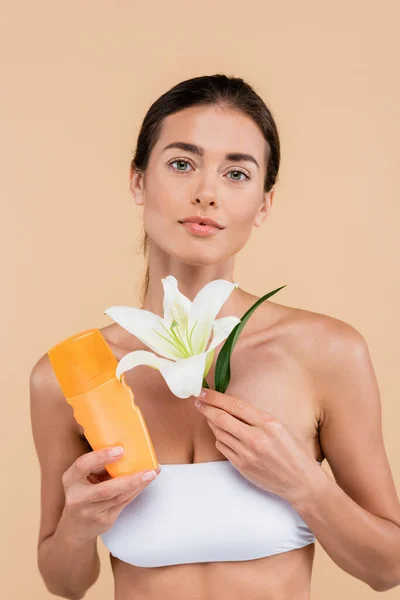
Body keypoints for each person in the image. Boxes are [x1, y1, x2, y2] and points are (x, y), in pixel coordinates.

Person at [30, 74, 400, 600]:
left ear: (264, 203)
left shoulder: (324, 353)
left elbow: (386, 569)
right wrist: (78, 525)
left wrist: (306, 485)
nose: (206, 192)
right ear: (138, 181)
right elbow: (63, 582)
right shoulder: (70, 375)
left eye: (237, 173)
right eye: (182, 164)